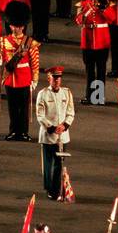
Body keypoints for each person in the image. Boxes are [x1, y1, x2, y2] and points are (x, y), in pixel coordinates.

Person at [0, 0, 39, 141]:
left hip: (25, 78)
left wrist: (35, 79)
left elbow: (35, 63)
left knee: (24, 109)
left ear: (23, 26)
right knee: (13, 108)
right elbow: (1, 59)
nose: (17, 29)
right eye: (15, 26)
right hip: (10, 78)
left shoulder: (29, 43)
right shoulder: (3, 41)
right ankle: (14, 131)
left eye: (19, 26)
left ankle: (24, 132)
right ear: (10, 25)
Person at [33, 66, 74, 201]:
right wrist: (51, 127)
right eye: (54, 78)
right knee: (48, 164)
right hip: (48, 135)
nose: (57, 80)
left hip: (62, 136)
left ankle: (57, 190)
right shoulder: (42, 94)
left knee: (59, 164)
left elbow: (70, 112)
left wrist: (64, 125)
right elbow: (40, 115)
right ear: (49, 78)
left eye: (59, 78)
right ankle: (49, 188)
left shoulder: (67, 93)